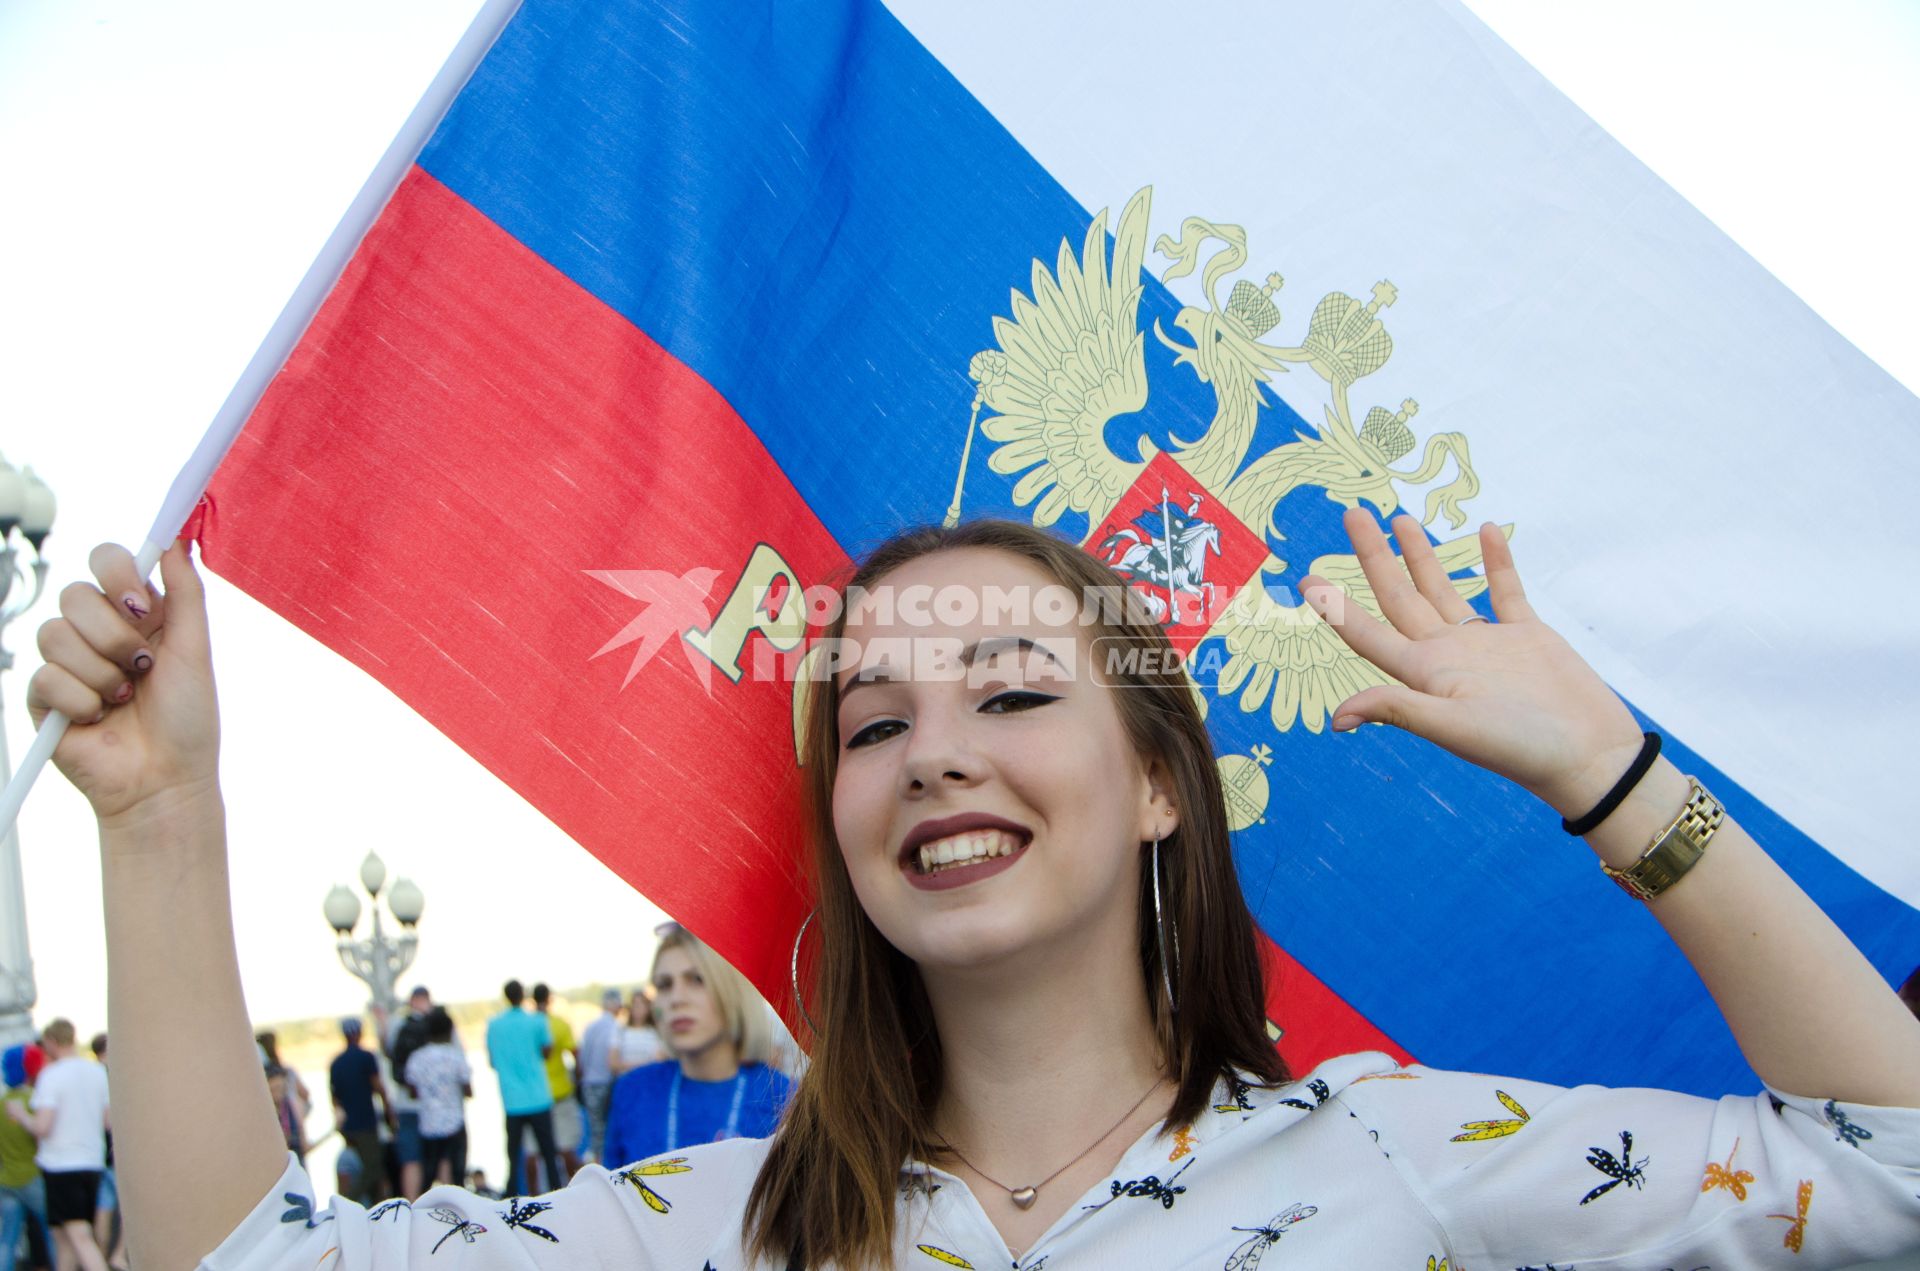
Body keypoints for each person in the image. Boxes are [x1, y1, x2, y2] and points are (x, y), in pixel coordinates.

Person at [26, 525, 1920, 1269]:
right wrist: (163, 818)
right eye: (872, 722)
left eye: (1017, 693)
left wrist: (1615, 773)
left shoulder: (1416, 1163)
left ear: (1162, 783)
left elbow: (1894, 1174)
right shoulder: (704, 1230)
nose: (936, 752)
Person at [603, 927, 792, 1169]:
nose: (676, 998)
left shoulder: (784, 1099)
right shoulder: (632, 1091)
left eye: (697, 980)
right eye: (664, 985)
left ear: (732, 991)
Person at [6, 1021, 108, 1271]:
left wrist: (20, 1115)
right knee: (63, 1238)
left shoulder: (51, 1076)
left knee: (78, 1236)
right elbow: (108, 1121)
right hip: (91, 1160)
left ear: (52, 1041)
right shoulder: (96, 1073)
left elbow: (42, 1127)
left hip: (62, 1165)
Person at [484, 981, 562, 1198]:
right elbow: (547, 1051)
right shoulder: (537, 1021)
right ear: (523, 995)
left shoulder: (494, 1025)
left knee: (513, 1156)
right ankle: (558, 1192)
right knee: (549, 1154)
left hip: (512, 1100)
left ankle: (511, 1196)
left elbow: (491, 1061)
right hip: (538, 1096)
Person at [400, 1008, 470, 1190]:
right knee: (457, 1177)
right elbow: (468, 1089)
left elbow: (412, 1091)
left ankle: (423, 1212)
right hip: (454, 1122)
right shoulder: (455, 1055)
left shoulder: (417, 1058)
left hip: (429, 1124)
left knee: (428, 1175)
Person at [326, 1018, 388, 1206]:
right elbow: (378, 1087)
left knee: (358, 1166)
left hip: (348, 1125)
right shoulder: (366, 1057)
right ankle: (348, 1202)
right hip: (366, 1122)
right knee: (373, 1168)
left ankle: (367, 1205)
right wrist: (389, 1114)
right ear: (359, 1033)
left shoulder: (336, 1063)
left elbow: (334, 1098)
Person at [381, 986, 433, 1200]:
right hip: (434, 1106)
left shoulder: (397, 1024)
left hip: (404, 1103)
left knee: (411, 1160)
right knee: (439, 1160)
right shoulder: (434, 1022)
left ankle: (411, 1207)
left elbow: (388, 1053)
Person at [0, 1044, 49, 1271]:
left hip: (6, 1179)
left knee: (7, 1240)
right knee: (54, 1233)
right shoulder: (35, 1099)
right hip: (33, 1176)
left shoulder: (2, 1103)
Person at [529, 984, 582, 1188]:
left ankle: (530, 1199)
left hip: (533, 1097)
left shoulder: (528, 1025)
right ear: (549, 999)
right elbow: (575, 1055)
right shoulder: (559, 1024)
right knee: (567, 1148)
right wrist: (577, 1080)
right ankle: (578, 1191)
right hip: (560, 1092)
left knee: (532, 1153)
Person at [576, 988, 624, 1164]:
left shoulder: (591, 1027)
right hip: (610, 1083)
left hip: (591, 1083)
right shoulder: (617, 1027)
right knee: (610, 1129)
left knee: (596, 1131)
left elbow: (582, 1057)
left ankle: (597, 1168)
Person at [608, 988, 666, 1080]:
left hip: (649, 1081)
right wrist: (644, 1066)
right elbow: (613, 1063)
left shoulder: (654, 1032)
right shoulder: (620, 1031)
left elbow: (660, 1061)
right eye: (634, 1004)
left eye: (642, 1004)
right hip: (627, 1081)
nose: (638, 1007)